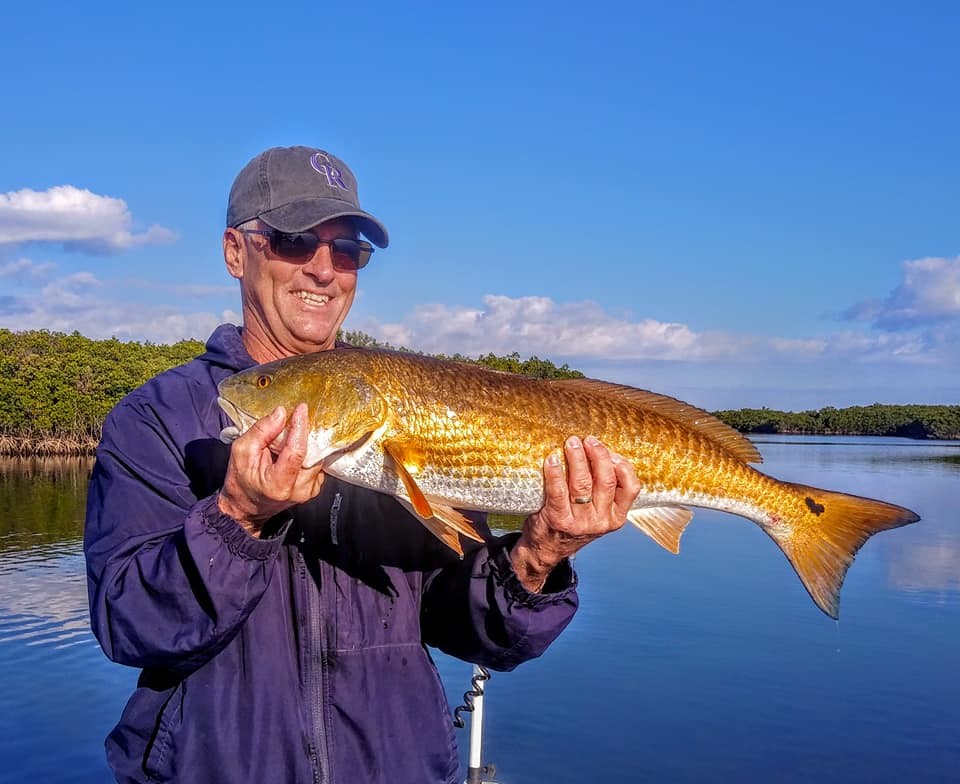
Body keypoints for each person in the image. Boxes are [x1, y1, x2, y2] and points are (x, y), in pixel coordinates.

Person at [84, 145, 641, 784]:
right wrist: (235, 520)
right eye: (294, 241)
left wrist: (537, 560)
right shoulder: (156, 419)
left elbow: (465, 626)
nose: (324, 270)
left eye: (347, 250)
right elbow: (128, 627)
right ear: (236, 252)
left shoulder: (406, 403)